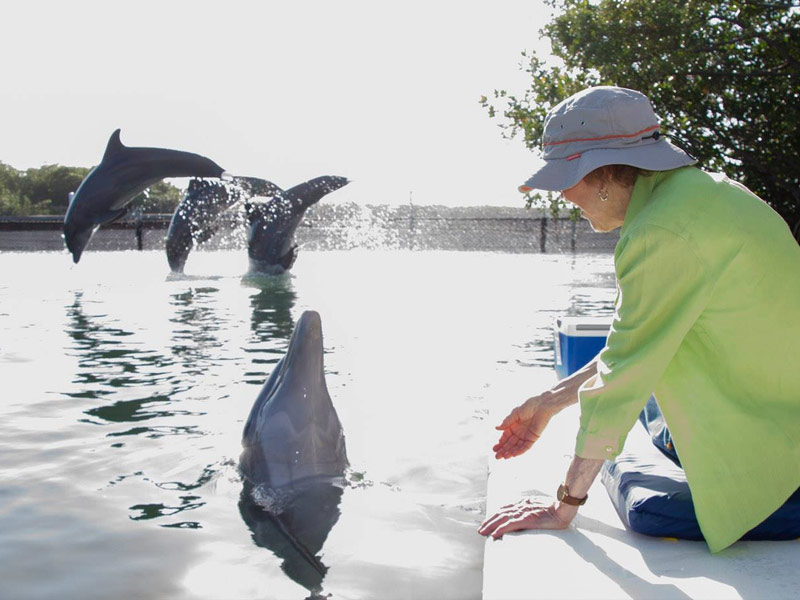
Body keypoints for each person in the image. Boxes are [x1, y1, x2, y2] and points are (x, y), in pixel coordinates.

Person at [478, 86, 800, 553]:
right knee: (643, 415)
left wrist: (563, 506)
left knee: (644, 509)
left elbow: (625, 372)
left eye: (566, 178)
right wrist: (548, 402)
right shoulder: (709, 193)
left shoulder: (659, 232)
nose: (563, 193)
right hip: (774, 406)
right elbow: (638, 344)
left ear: (602, 172)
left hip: (777, 457)